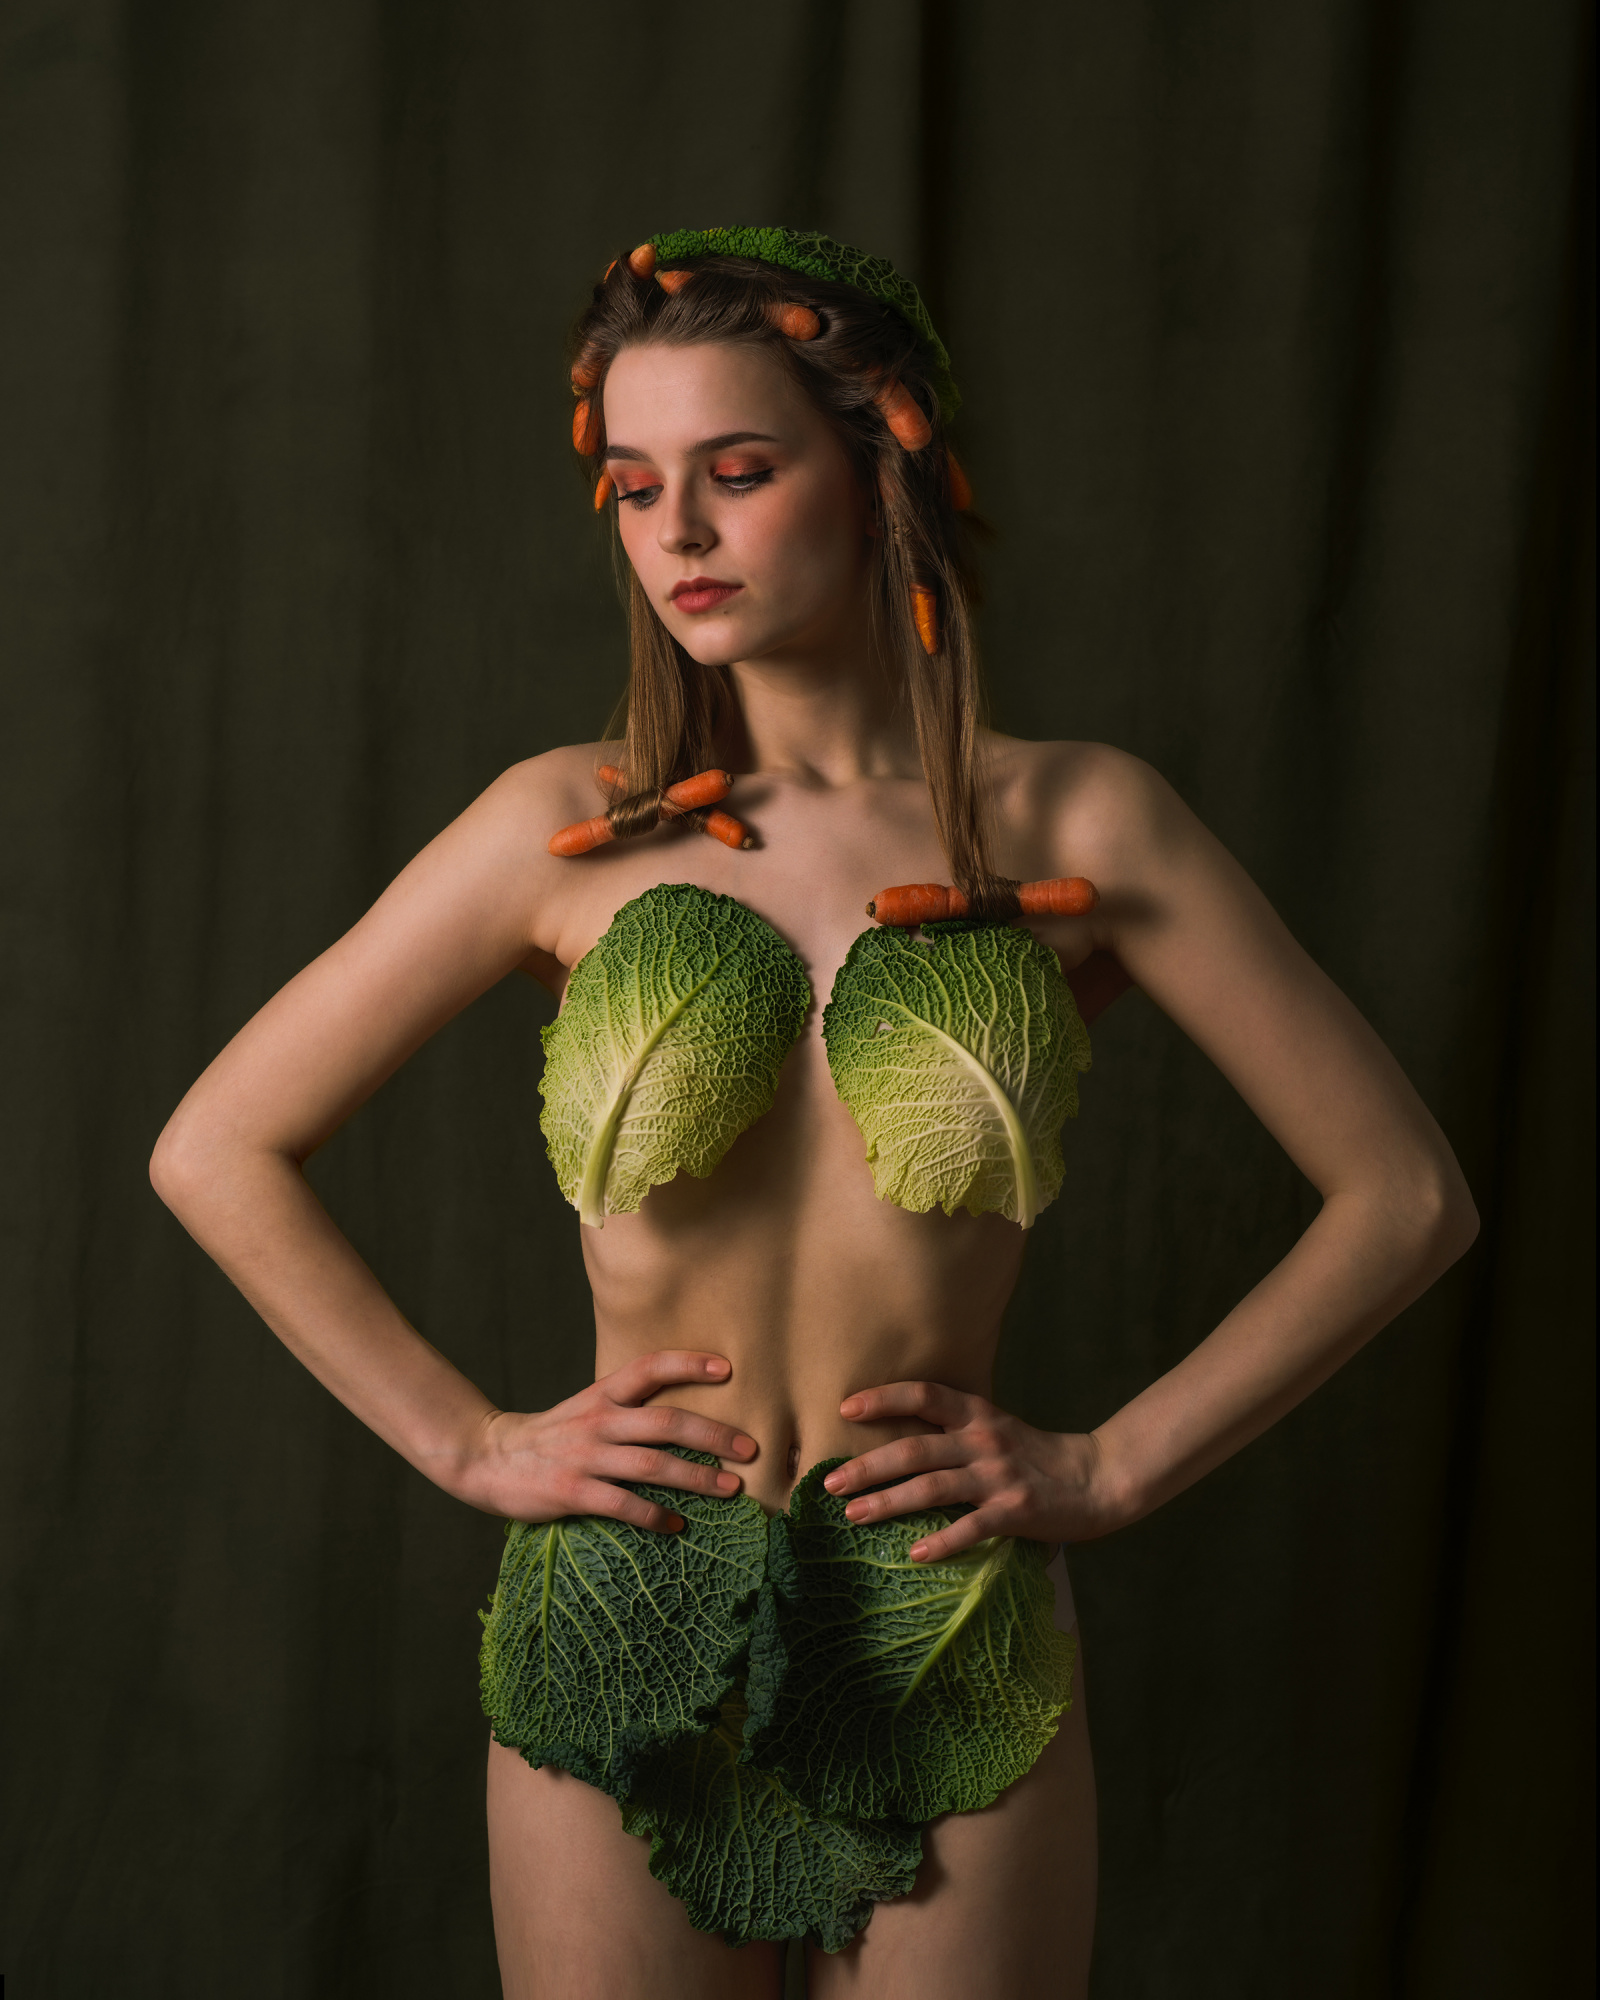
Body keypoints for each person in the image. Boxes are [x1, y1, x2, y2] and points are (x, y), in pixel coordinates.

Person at [149, 229, 1479, 2000]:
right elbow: (215, 1146)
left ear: (878, 466)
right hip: (626, 1592)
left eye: (740, 470)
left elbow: (1405, 1195)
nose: (680, 534)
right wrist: (469, 1442)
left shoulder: (1074, 826)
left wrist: (1111, 1463)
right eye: (638, 487)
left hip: (939, 1604)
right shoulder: (568, 827)